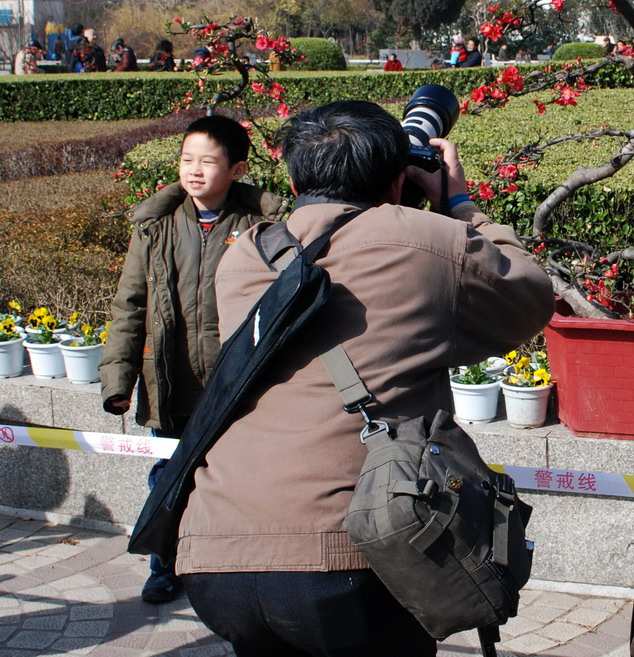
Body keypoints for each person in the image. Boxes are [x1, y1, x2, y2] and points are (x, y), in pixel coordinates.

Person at [174, 100, 555, 655]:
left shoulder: (248, 253)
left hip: (220, 552)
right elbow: (528, 298)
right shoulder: (427, 242)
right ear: (398, 178)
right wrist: (460, 204)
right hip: (356, 556)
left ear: (293, 174)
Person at [100, 115, 288, 603]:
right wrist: (117, 380)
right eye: (187, 160)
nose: (195, 170)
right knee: (169, 476)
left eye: (208, 161)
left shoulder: (262, 224)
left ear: (237, 168)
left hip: (236, 383)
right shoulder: (155, 227)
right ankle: (166, 564)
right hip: (174, 381)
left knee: (239, 478)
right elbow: (130, 305)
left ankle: (235, 566)